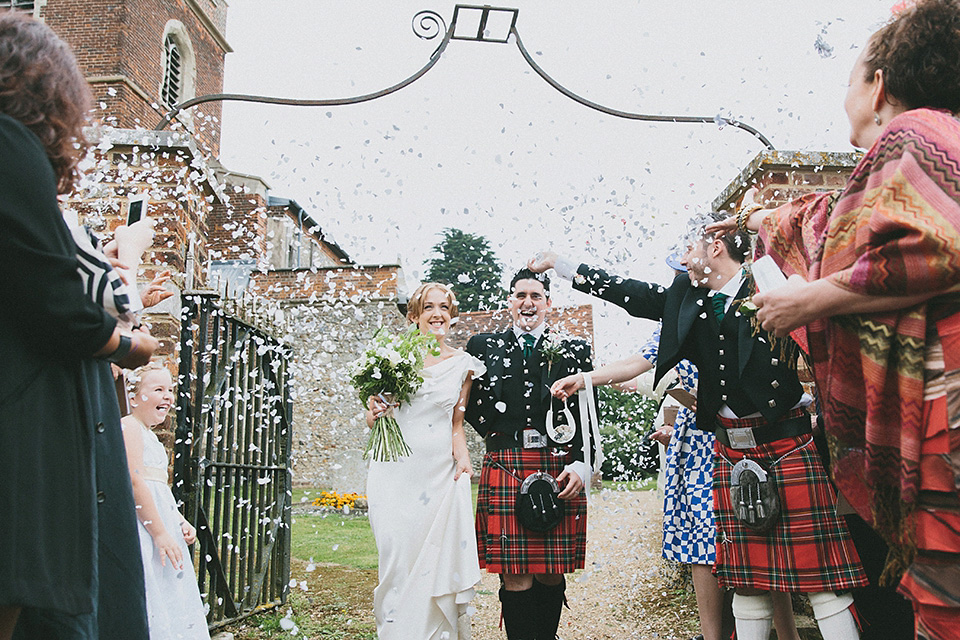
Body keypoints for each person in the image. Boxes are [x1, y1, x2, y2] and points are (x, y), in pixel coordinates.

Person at [710, 1, 960, 636]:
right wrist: (758, 222)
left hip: (942, 406)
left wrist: (810, 301)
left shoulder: (918, 133)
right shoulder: (914, 151)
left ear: (878, 85)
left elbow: (934, 245)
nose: (845, 93)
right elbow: (827, 226)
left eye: (850, 78)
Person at [529, 220, 867, 640]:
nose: (684, 260)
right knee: (744, 580)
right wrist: (563, 265)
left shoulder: (770, 283)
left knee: (822, 582)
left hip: (786, 442)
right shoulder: (687, 303)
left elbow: (828, 339)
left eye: (691, 250)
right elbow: (627, 292)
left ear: (718, 249)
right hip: (731, 450)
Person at [0, 11, 157, 640]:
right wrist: (126, 343)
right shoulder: (10, 143)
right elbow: (50, 300)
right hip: (20, 404)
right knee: (18, 579)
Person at [553, 316, 799, 640]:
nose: (682, 264)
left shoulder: (741, 306)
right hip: (697, 440)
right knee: (702, 541)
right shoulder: (677, 321)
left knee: (761, 529)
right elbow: (637, 364)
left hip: (747, 433)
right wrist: (586, 377)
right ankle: (713, 636)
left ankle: (786, 634)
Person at [464, 268, 597, 640]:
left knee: (551, 569)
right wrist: (498, 436)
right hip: (507, 464)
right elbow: (465, 404)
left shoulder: (574, 349)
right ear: (510, 301)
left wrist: (581, 464)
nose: (528, 303)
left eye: (535, 296)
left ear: (548, 303)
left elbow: (590, 414)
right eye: (520, 295)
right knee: (515, 571)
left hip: (557, 464)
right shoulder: (483, 346)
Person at [365, 282, 484, 639]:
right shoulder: (389, 357)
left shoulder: (464, 365)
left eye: (444, 307)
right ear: (414, 316)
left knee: (436, 564)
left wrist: (463, 461)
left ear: (452, 314)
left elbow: (456, 424)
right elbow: (374, 417)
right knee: (397, 560)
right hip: (394, 474)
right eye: (429, 308)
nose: (438, 314)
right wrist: (374, 412)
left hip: (439, 477)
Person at [122, 364, 210, 640]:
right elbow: (134, 483)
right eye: (158, 389)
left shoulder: (152, 437)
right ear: (133, 397)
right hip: (144, 529)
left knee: (168, 590)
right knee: (149, 589)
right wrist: (159, 533)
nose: (168, 396)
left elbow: (159, 489)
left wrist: (179, 521)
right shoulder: (128, 427)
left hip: (162, 525)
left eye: (170, 390)